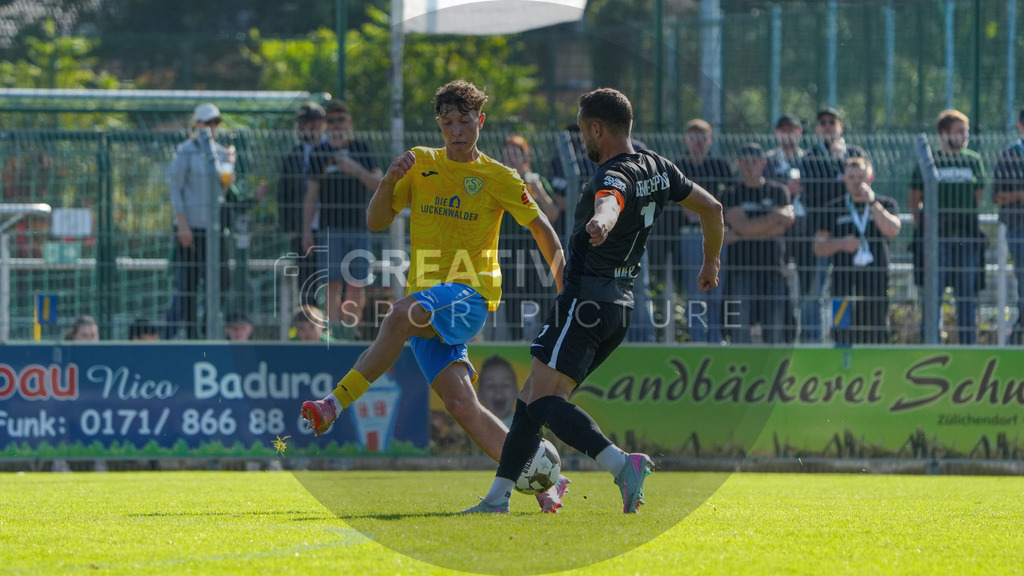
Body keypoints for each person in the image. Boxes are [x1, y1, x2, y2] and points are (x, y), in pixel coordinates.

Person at [299, 80, 568, 512]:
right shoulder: (420, 164)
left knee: (398, 315)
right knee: (462, 405)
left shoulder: (499, 176)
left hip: (471, 294)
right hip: (427, 302)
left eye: (464, 121)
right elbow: (376, 221)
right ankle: (542, 480)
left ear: (480, 121)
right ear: (439, 125)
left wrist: (565, 290)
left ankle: (334, 403)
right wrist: (387, 181)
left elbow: (542, 229)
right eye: (447, 123)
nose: (456, 131)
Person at [461, 87, 724, 514]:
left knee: (545, 402)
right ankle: (497, 498)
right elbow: (713, 209)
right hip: (618, 306)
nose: (583, 139)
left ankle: (622, 463)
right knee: (529, 400)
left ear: (597, 129)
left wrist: (601, 223)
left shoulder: (612, 174)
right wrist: (710, 265)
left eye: (584, 129)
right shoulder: (659, 165)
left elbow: (610, 202)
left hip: (584, 304)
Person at [303, 100, 383, 339]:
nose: (337, 124)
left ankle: (350, 333)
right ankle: (334, 334)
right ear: (326, 125)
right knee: (333, 283)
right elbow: (311, 195)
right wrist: (306, 230)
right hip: (330, 229)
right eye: (332, 120)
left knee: (357, 283)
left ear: (350, 122)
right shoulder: (320, 153)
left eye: (341, 119)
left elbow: (379, 183)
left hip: (360, 226)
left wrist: (356, 170)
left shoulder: (362, 148)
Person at [909, 109, 986, 345]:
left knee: (966, 296)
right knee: (933, 295)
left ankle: (968, 347)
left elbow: (978, 196)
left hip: (965, 237)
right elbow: (914, 199)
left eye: (967, 131)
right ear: (944, 133)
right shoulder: (930, 160)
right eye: (959, 131)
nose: (965, 136)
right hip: (936, 238)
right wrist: (928, 226)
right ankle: (931, 344)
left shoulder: (973, 160)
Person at [814, 156, 901, 344]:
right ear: (844, 179)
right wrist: (840, 244)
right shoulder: (833, 208)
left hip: (876, 283)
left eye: (861, 177)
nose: (856, 182)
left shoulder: (885, 204)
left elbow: (892, 230)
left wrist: (872, 204)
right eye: (852, 177)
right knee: (841, 334)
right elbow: (818, 247)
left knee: (875, 335)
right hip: (842, 284)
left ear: (871, 178)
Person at [165, 103, 234, 340]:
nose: (212, 128)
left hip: (214, 229)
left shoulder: (222, 152)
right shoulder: (185, 150)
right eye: (207, 123)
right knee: (190, 284)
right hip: (190, 228)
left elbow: (224, 190)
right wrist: (182, 224)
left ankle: (208, 325)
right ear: (197, 124)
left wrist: (231, 164)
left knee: (223, 278)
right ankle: (193, 335)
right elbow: (176, 189)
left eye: (215, 123)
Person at [798, 108, 865, 343]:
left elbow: (861, 184)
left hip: (850, 232)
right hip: (821, 234)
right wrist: (841, 180)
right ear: (817, 129)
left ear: (840, 127)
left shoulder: (854, 153)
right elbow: (814, 191)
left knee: (842, 291)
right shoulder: (809, 158)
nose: (827, 126)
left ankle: (841, 337)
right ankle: (812, 341)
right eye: (822, 123)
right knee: (813, 290)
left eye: (831, 122)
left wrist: (840, 168)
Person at [721, 143, 795, 344]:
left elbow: (783, 227)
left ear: (763, 164)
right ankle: (740, 373)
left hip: (774, 270)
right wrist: (774, 216)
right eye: (744, 162)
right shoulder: (730, 194)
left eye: (753, 162)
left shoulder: (779, 190)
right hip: (741, 271)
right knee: (740, 332)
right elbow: (743, 226)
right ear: (738, 164)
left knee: (775, 333)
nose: (749, 166)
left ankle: (774, 374)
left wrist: (742, 232)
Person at [670, 118, 734, 343]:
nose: (698, 143)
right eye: (693, 138)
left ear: (710, 141)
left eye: (702, 139)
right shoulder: (678, 166)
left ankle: (715, 338)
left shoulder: (719, 166)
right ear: (686, 141)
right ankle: (696, 338)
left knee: (716, 289)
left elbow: (728, 200)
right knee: (695, 291)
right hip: (689, 235)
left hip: (716, 235)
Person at [497, 135, 561, 340]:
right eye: (508, 153)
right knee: (512, 300)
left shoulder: (536, 181)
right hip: (510, 250)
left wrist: (539, 190)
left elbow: (553, 213)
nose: (512, 158)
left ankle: (545, 343)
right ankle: (515, 343)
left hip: (536, 251)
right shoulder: (501, 182)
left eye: (517, 153)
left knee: (543, 298)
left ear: (526, 156)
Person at [276, 101, 327, 307]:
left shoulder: (333, 150)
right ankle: (309, 332)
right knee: (307, 284)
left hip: (331, 226)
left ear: (319, 123)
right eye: (300, 124)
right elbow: (283, 194)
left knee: (337, 280)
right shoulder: (293, 155)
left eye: (305, 123)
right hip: (302, 231)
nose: (301, 128)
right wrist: (291, 229)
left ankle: (337, 333)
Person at [764, 114, 806, 343]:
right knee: (780, 280)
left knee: (806, 284)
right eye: (783, 130)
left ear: (799, 133)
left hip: (804, 228)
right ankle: (784, 333)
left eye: (792, 130)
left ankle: (809, 334)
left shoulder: (809, 159)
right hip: (777, 229)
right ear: (777, 134)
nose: (787, 135)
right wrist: (785, 188)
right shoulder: (767, 161)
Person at [992, 108, 1024, 344]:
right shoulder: (1009, 156)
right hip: (1019, 228)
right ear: (1020, 126)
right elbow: (997, 196)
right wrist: (1020, 195)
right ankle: (1016, 340)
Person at [476, 355, 519, 426]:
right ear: (478, 395)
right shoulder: (471, 427)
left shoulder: (525, 426)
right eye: (490, 385)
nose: (498, 392)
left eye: (505, 385)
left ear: (517, 393)